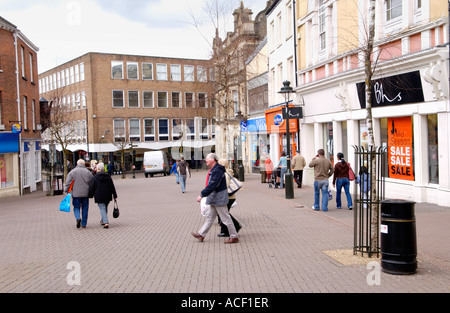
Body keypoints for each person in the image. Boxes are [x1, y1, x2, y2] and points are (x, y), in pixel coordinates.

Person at [192, 153, 239, 244]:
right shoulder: (215, 169)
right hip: (215, 198)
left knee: (225, 218)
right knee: (210, 217)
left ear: (212, 160)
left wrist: (202, 195)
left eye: (207, 159)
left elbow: (213, 184)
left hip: (219, 199)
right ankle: (201, 234)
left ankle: (234, 236)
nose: (205, 160)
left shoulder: (217, 170)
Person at [64, 159, 93, 228]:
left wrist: (66, 190)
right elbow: (92, 182)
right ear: (84, 164)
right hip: (85, 193)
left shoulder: (72, 172)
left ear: (77, 164)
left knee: (76, 207)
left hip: (76, 194)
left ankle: (78, 217)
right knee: (85, 208)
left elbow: (68, 183)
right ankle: (84, 223)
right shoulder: (88, 172)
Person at [217, 158, 242, 237]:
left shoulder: (225, 174)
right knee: (224, 214)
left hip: (228, 197)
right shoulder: (227, 172)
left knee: (224, 214)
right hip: (230, 197)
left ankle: (232, 228)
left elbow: (225, 186)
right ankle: (228, 229)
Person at [89, 162, 117, 229]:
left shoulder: (95, 177)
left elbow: (92, 187)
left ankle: (106, 222)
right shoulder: (108, 176)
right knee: (104, 207)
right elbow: (112, 186)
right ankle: (102, 220)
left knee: (102, 208)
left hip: (99, 195)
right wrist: (115, 195)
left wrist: (90, 195)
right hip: (107, 195)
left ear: (98, 168)